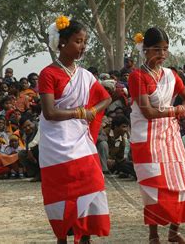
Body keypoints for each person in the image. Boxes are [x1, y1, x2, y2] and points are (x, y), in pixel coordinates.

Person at [39, 16, 112, 243]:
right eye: (78, 41)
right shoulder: (48, 74)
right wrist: (81, 112)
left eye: (84, 42)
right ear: (62, 42)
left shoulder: (85, 75)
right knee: (64, 193)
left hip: (81, 140)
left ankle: (85, 236)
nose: (82, 47)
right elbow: (50, 112)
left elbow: (106, 98)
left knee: (93, 182)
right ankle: (64, 236)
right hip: (57, 142)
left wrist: (90, 111)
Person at [128, 27, 185, 244]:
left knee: (181, 184)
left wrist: (184, 107)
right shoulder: (137, 76)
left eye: (165, 49)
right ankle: (153, 235)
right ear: (145, 50)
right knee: (154, 187)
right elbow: (147, 111)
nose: (162, 54)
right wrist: (175, 110)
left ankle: (174, 232)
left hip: (170, 135)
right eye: (157, 49)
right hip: (147, 138)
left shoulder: (170, 75)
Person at [17, 114, 41, 181]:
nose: (27, 128)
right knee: (22, 154)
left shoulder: (39, 128)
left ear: (33, 122)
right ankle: (36, 173)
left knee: (38, 149)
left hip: (45, 151)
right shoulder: (25, 135)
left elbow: (37, 141)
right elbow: (27, 146)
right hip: (34, 154)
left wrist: (30, 150)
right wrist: (29, 151)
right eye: (24, 127)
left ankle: (42, 173)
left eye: (29, 125)